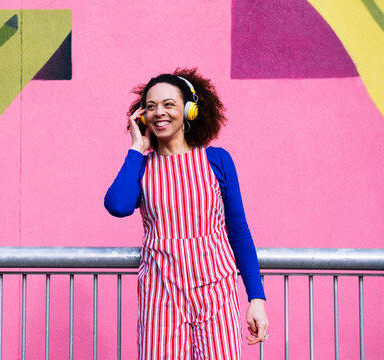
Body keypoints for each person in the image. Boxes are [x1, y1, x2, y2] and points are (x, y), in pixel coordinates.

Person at [104, 68, 268, 359]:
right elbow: (118, 206)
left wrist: (256, 299)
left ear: (190, 110)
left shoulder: (217, 160)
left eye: (169, 104)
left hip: (216, 292)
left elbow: (239, 231)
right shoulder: (141, 166)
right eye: (151, 107)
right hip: (160, 294)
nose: (159, 113)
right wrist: (136, 149)